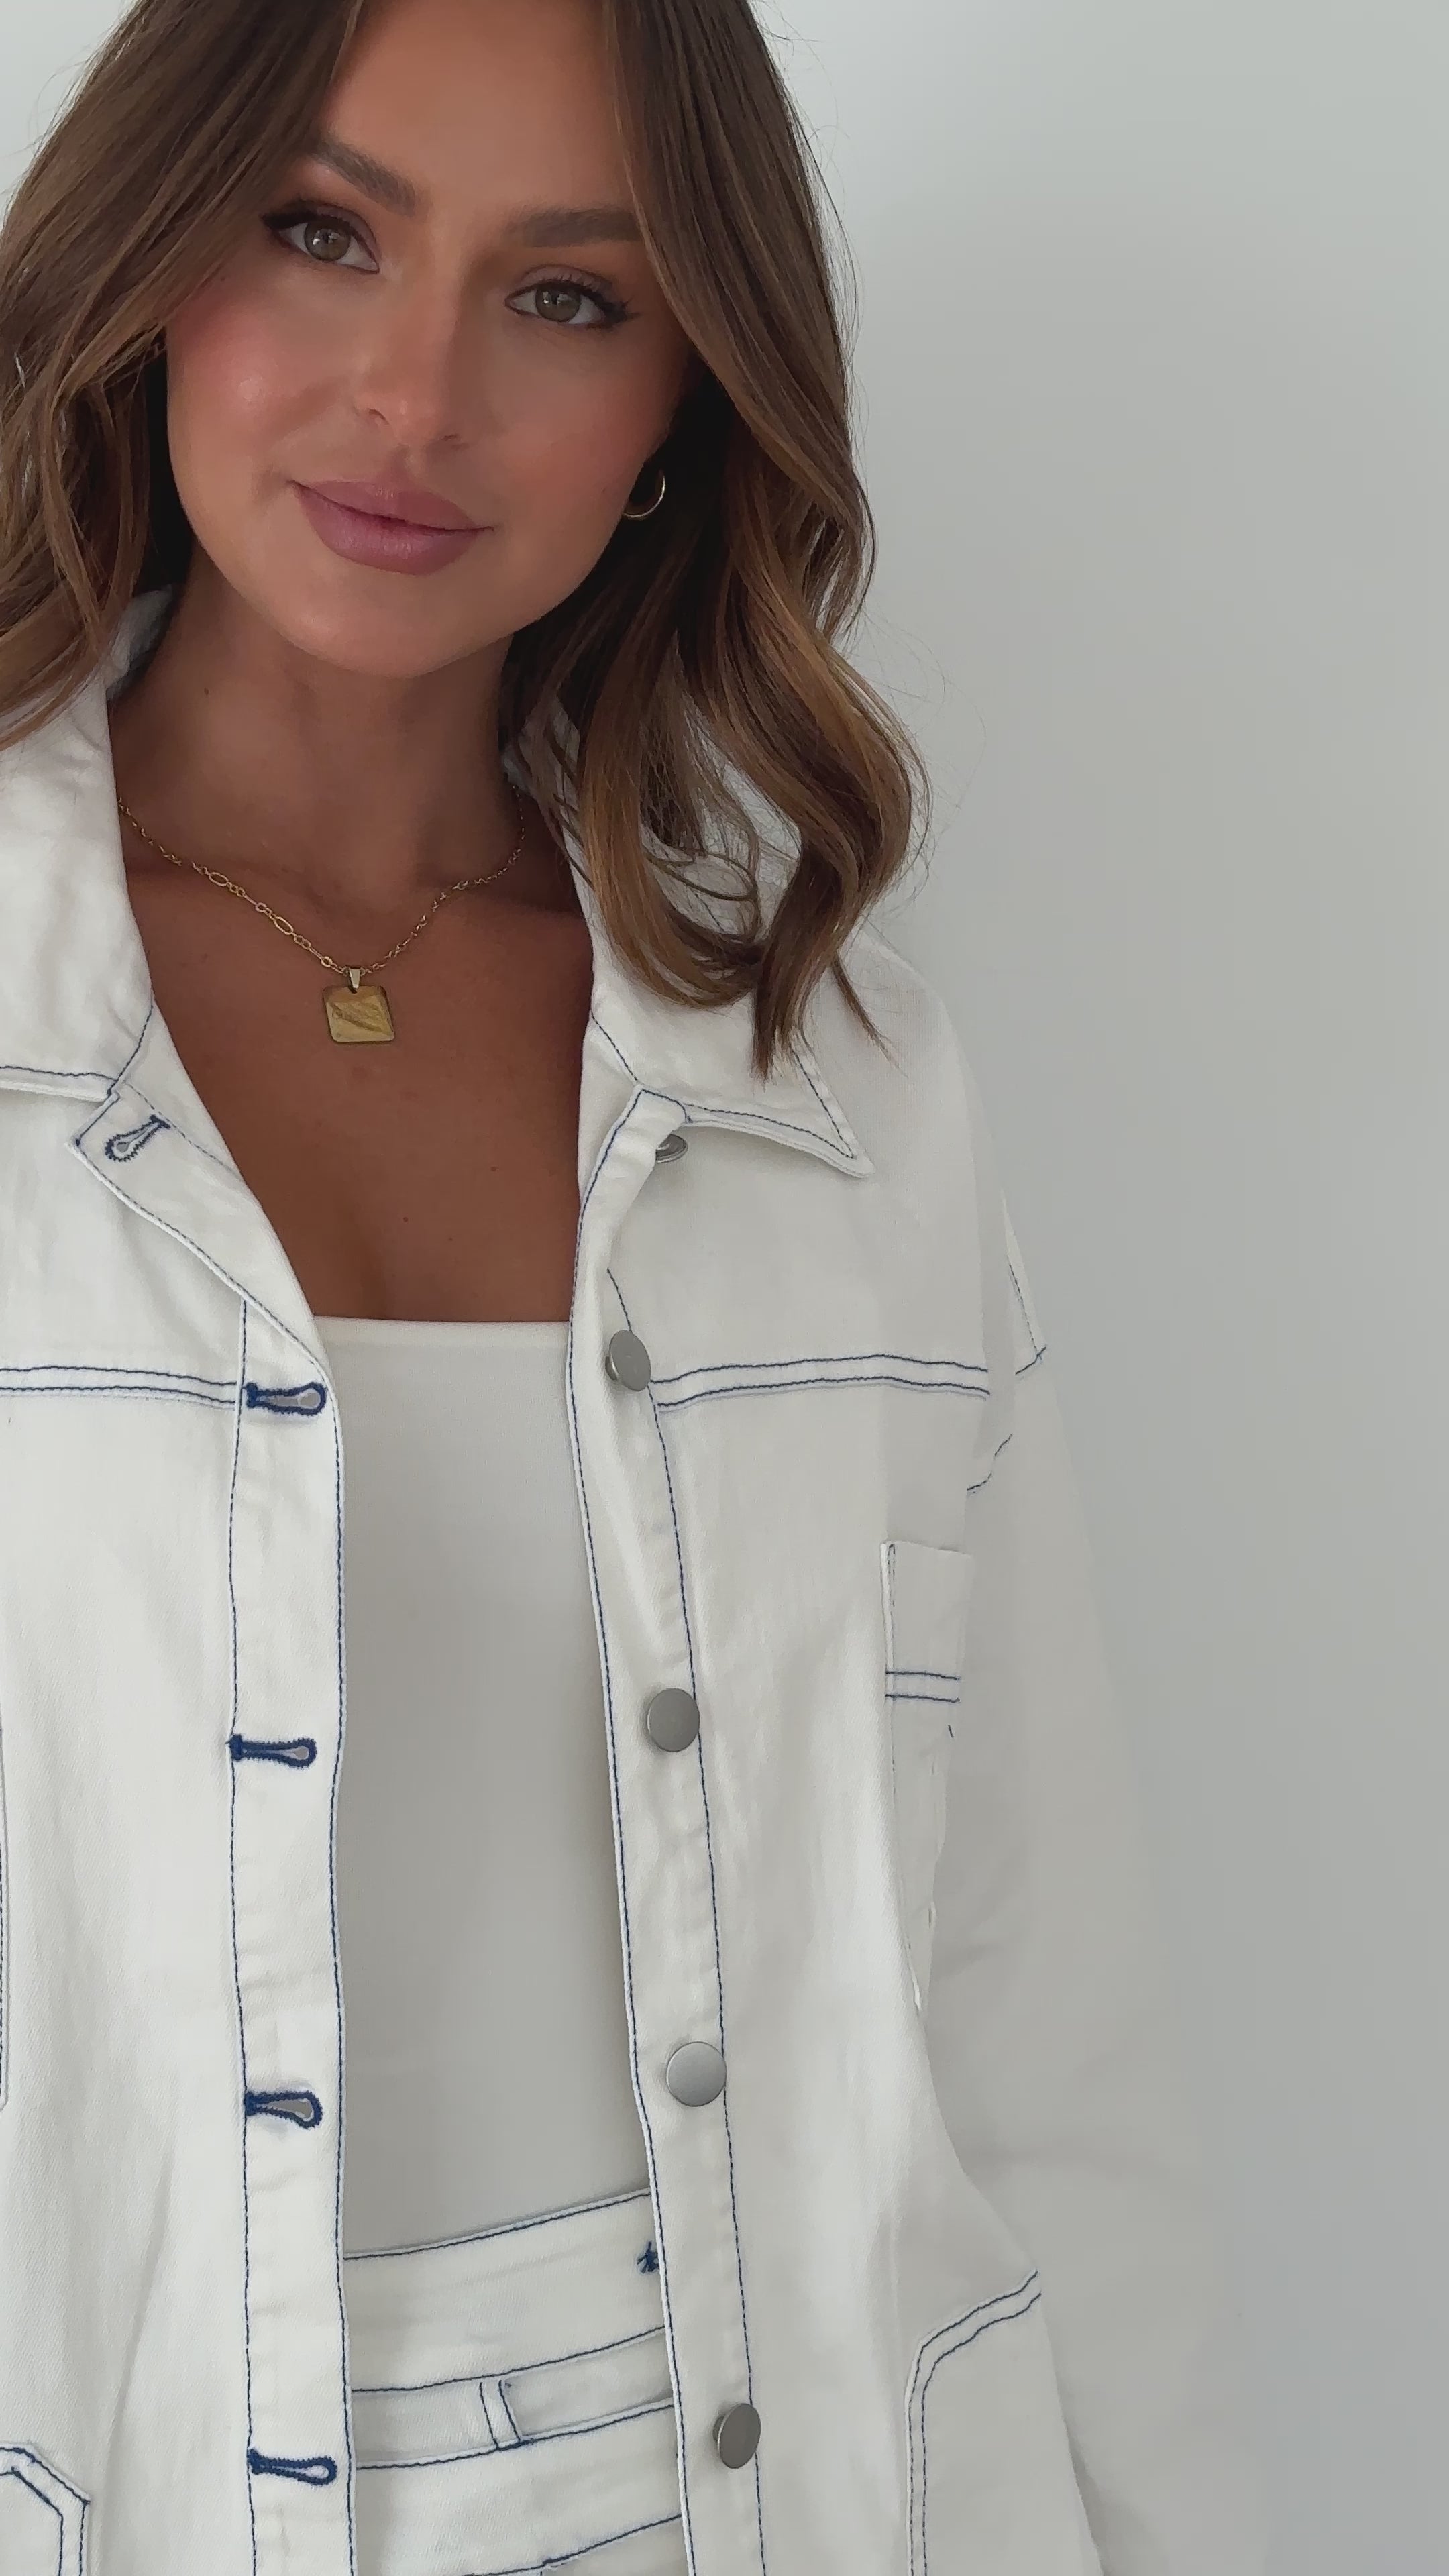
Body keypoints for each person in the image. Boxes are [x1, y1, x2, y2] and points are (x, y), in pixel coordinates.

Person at [0, 0, 1267, 2569]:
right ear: (147, 263)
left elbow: (1028, 2011)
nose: (415, 397)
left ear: (686, 401)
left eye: (566, 297)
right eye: (322, 232)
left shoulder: (841, 1087)